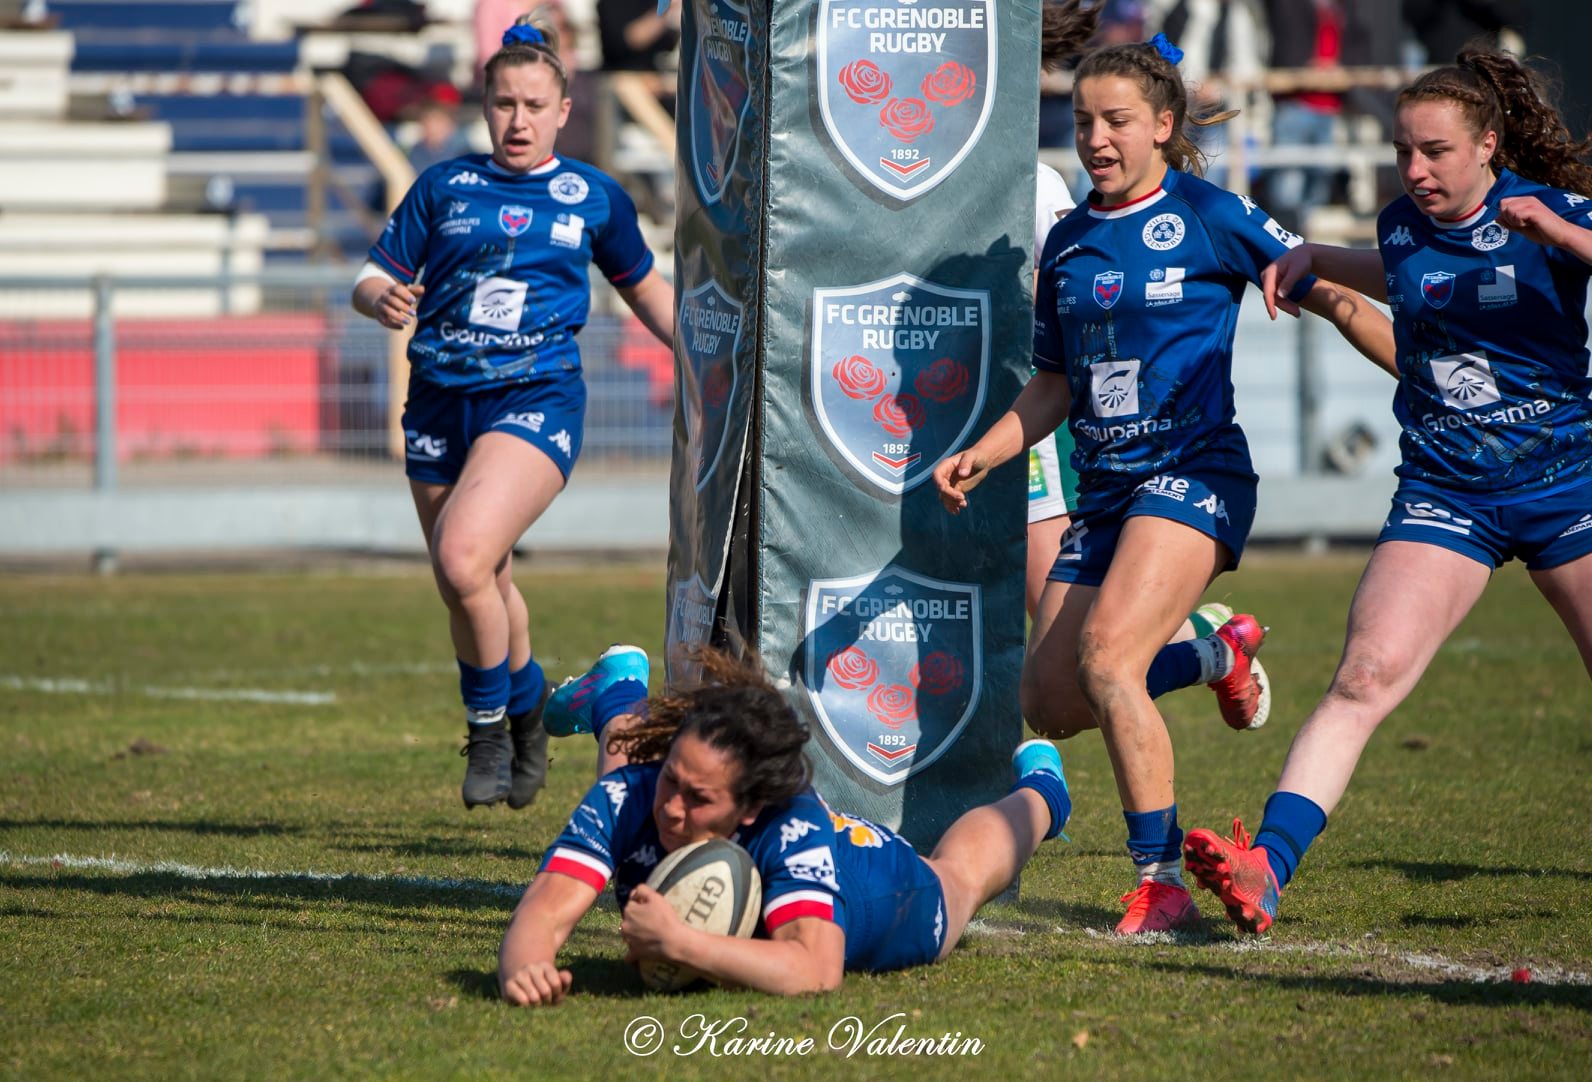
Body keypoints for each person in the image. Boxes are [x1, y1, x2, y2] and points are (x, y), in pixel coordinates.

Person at [934, 34, 1397, 934]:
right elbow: (1055, 384)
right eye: (1083, 121)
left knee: (1108, 657)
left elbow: (1334, 295)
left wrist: (1422, 374)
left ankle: (1162, 880)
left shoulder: (1210, 213)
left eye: (1116, 121)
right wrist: (985, 452)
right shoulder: (1068, 240)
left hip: (1194, 473)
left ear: (1162, 125)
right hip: (1106, 491)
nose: (1096, 139)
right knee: (1050, 702)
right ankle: (1216, 656)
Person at [1185, 48, 1592, 935]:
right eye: (1403, 150)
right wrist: (1314, 260)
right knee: (1363, 675)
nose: (1415, 169)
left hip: (1569, 487)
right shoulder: (1405, 226)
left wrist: (1563, 238)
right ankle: (1266, 868)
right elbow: (1400, 272)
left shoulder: (1553, 213)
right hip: (1448, 492)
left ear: (1488, 145)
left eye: (1435, 151)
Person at [351, 15, 674, 812]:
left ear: (564, 110)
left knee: (464, 557)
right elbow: (370, 276)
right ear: (484, 104)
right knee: (476, 580)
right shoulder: (442, 186)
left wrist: (715, 367)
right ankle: (532, 707)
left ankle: (489, 729)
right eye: (504, 104)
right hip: (438, 402)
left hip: (535, 399)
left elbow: (648, 291)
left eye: (534, 105)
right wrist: (379, 298)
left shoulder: (593, 196)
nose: (518, 121)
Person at [496, 648, 1073, 1004]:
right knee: (631, 781)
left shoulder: (790, 823)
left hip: (879, 885)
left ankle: (1043, 793)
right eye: (672, 779)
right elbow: (546, 908)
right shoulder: (635, 792)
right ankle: (618, 695)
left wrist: (681, 944)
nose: (672, 807)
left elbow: (816, 969)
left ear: (750, 808)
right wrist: (525, 968)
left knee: (959, 880)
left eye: (699, 799)